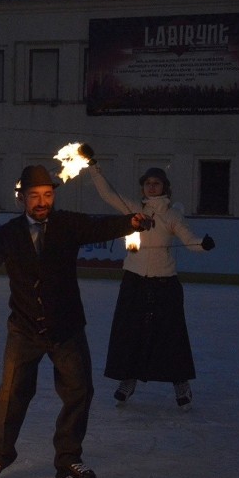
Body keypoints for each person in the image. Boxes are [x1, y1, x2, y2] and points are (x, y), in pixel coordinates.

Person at [0, 164, 147, 478]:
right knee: (11, 394)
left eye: (47, 195)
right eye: (35, 196)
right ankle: (0, 454)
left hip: (66, 327)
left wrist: (129, 222)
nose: (42, 202)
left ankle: (69, 459)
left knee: (79, 391)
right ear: (22, 199)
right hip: (24, 328)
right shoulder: (10, 234)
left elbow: (97, 227)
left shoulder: (67, 224)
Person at [89, 164, 215, 409]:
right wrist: (94, 169)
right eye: (148, 183)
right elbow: (108, 195)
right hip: (134, 280)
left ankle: (181, 383)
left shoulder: (172, 215)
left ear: (165, 187)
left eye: (156, 182)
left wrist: (203, 244)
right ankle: (128, 380)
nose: (151, 186)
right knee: (129, 333)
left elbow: (190, 241)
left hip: (164, 281)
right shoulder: (135, 209)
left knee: (171, 334)